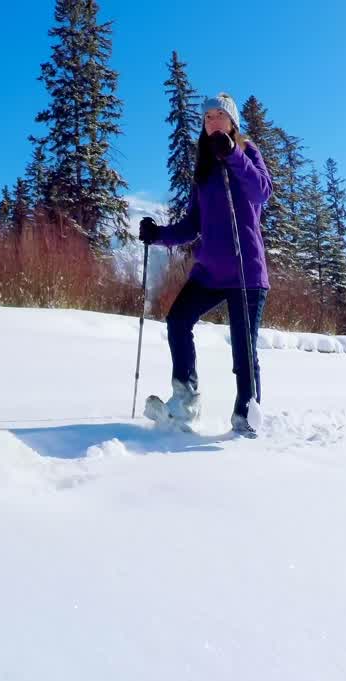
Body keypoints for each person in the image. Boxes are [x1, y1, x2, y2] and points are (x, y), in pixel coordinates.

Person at [138, 92, 273, 435]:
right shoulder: (204, 169)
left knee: (243, 350)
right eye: (207, 117)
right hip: (210, 271)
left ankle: (246, 416)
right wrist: (158, 235)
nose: (212, 121)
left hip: (246, 271)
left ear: (232, 122)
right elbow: (191, 226)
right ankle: (184, 399)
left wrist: (234, 155)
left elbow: (261, 193)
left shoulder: (247, 152)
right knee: (178, 320)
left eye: (218, 115)